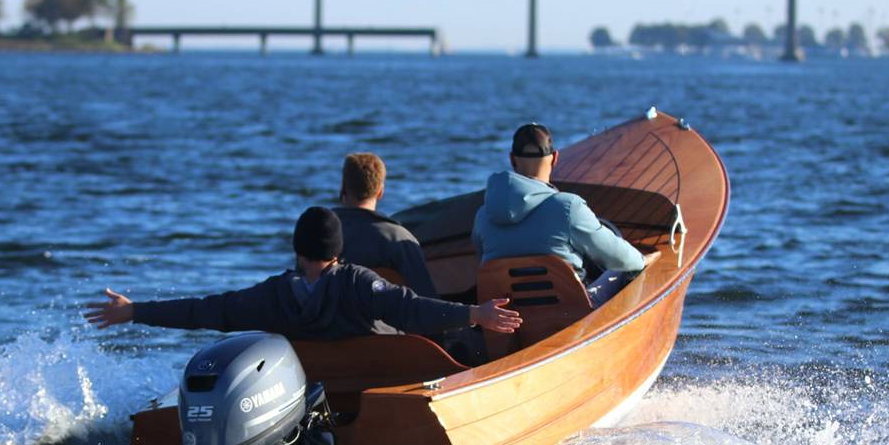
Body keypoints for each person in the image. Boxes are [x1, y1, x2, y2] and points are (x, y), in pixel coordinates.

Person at [85, 206, 521, 341]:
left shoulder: (273, 295)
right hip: (373, 395)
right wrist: (474, 315)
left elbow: (207, 310)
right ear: (338, 251)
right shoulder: (358, 283)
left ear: (297, 249)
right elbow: (412, 310)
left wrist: (136, 311)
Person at [472, 123, 646, 285]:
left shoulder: (483, 216)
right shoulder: (569, 207)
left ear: (512, 159)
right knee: (629, 270)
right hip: (570, 310)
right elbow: (619, 258)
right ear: (555, 158)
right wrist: (643, 260)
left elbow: (483, 259)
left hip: (505, 313)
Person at [333, 152, 438, 297]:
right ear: (380, 192)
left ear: (344, 187)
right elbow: (426, 300)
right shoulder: (399, 239)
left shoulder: (318, 231)